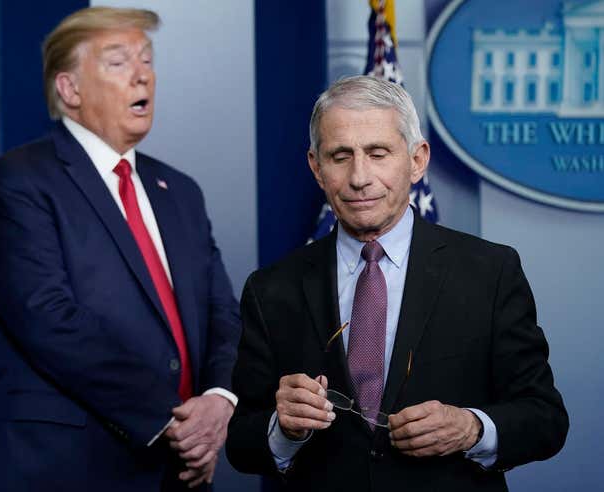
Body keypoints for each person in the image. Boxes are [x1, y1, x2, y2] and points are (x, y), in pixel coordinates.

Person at [226, 76, 568, 491]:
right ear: (316, 167)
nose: (359, 177)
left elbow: (545, 419)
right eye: (340, 156)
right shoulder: (270, 289)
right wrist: (284, 429)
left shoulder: (490, 272)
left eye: (378, 153)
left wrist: (471, 428)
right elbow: (241, 445)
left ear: (417, 159)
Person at [0, 7, 240, 492]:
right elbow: (49, 319)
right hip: (60, 469)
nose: (143, 74)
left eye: (148, 60)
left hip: (176, 473)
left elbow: (222, 314)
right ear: (70, 89)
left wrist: (218, 401)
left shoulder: (181, 192)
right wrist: (175, 423)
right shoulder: (20, 181)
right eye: (118, 62)